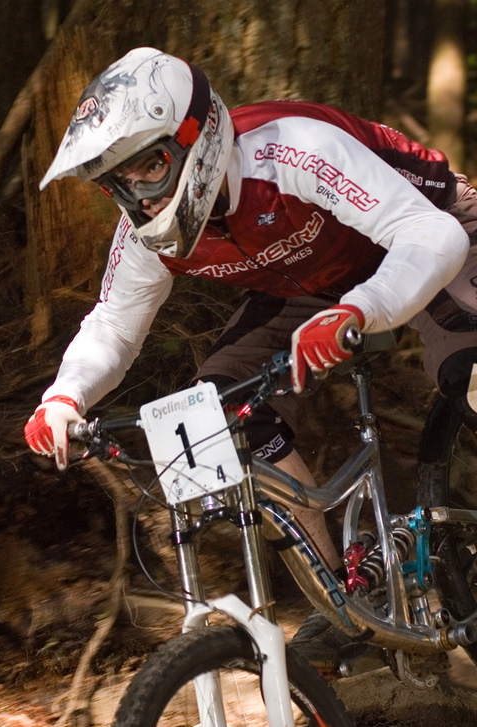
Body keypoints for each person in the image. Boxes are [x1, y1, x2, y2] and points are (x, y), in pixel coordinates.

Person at [24, 47, 477, 670]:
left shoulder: (291, 150)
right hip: (309, 276)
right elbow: (114, 325)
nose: (142, 198)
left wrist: (363, 308)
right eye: (118, 183)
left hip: (427, 224)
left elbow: (435, 237)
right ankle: (345, 598)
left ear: (197, 138)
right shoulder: (143, 232)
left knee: (469, 378)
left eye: (151, 168)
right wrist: (63, 397)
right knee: (218, 417)